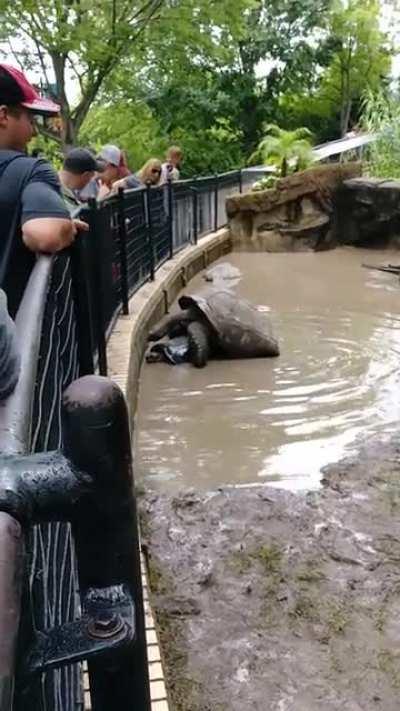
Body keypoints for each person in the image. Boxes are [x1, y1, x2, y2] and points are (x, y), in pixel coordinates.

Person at [0, 64, 88, 315]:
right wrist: (68, 226)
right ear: (3, 115)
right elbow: (45, 234)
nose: (34, 131)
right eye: (30, 119)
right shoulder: (30, 170)